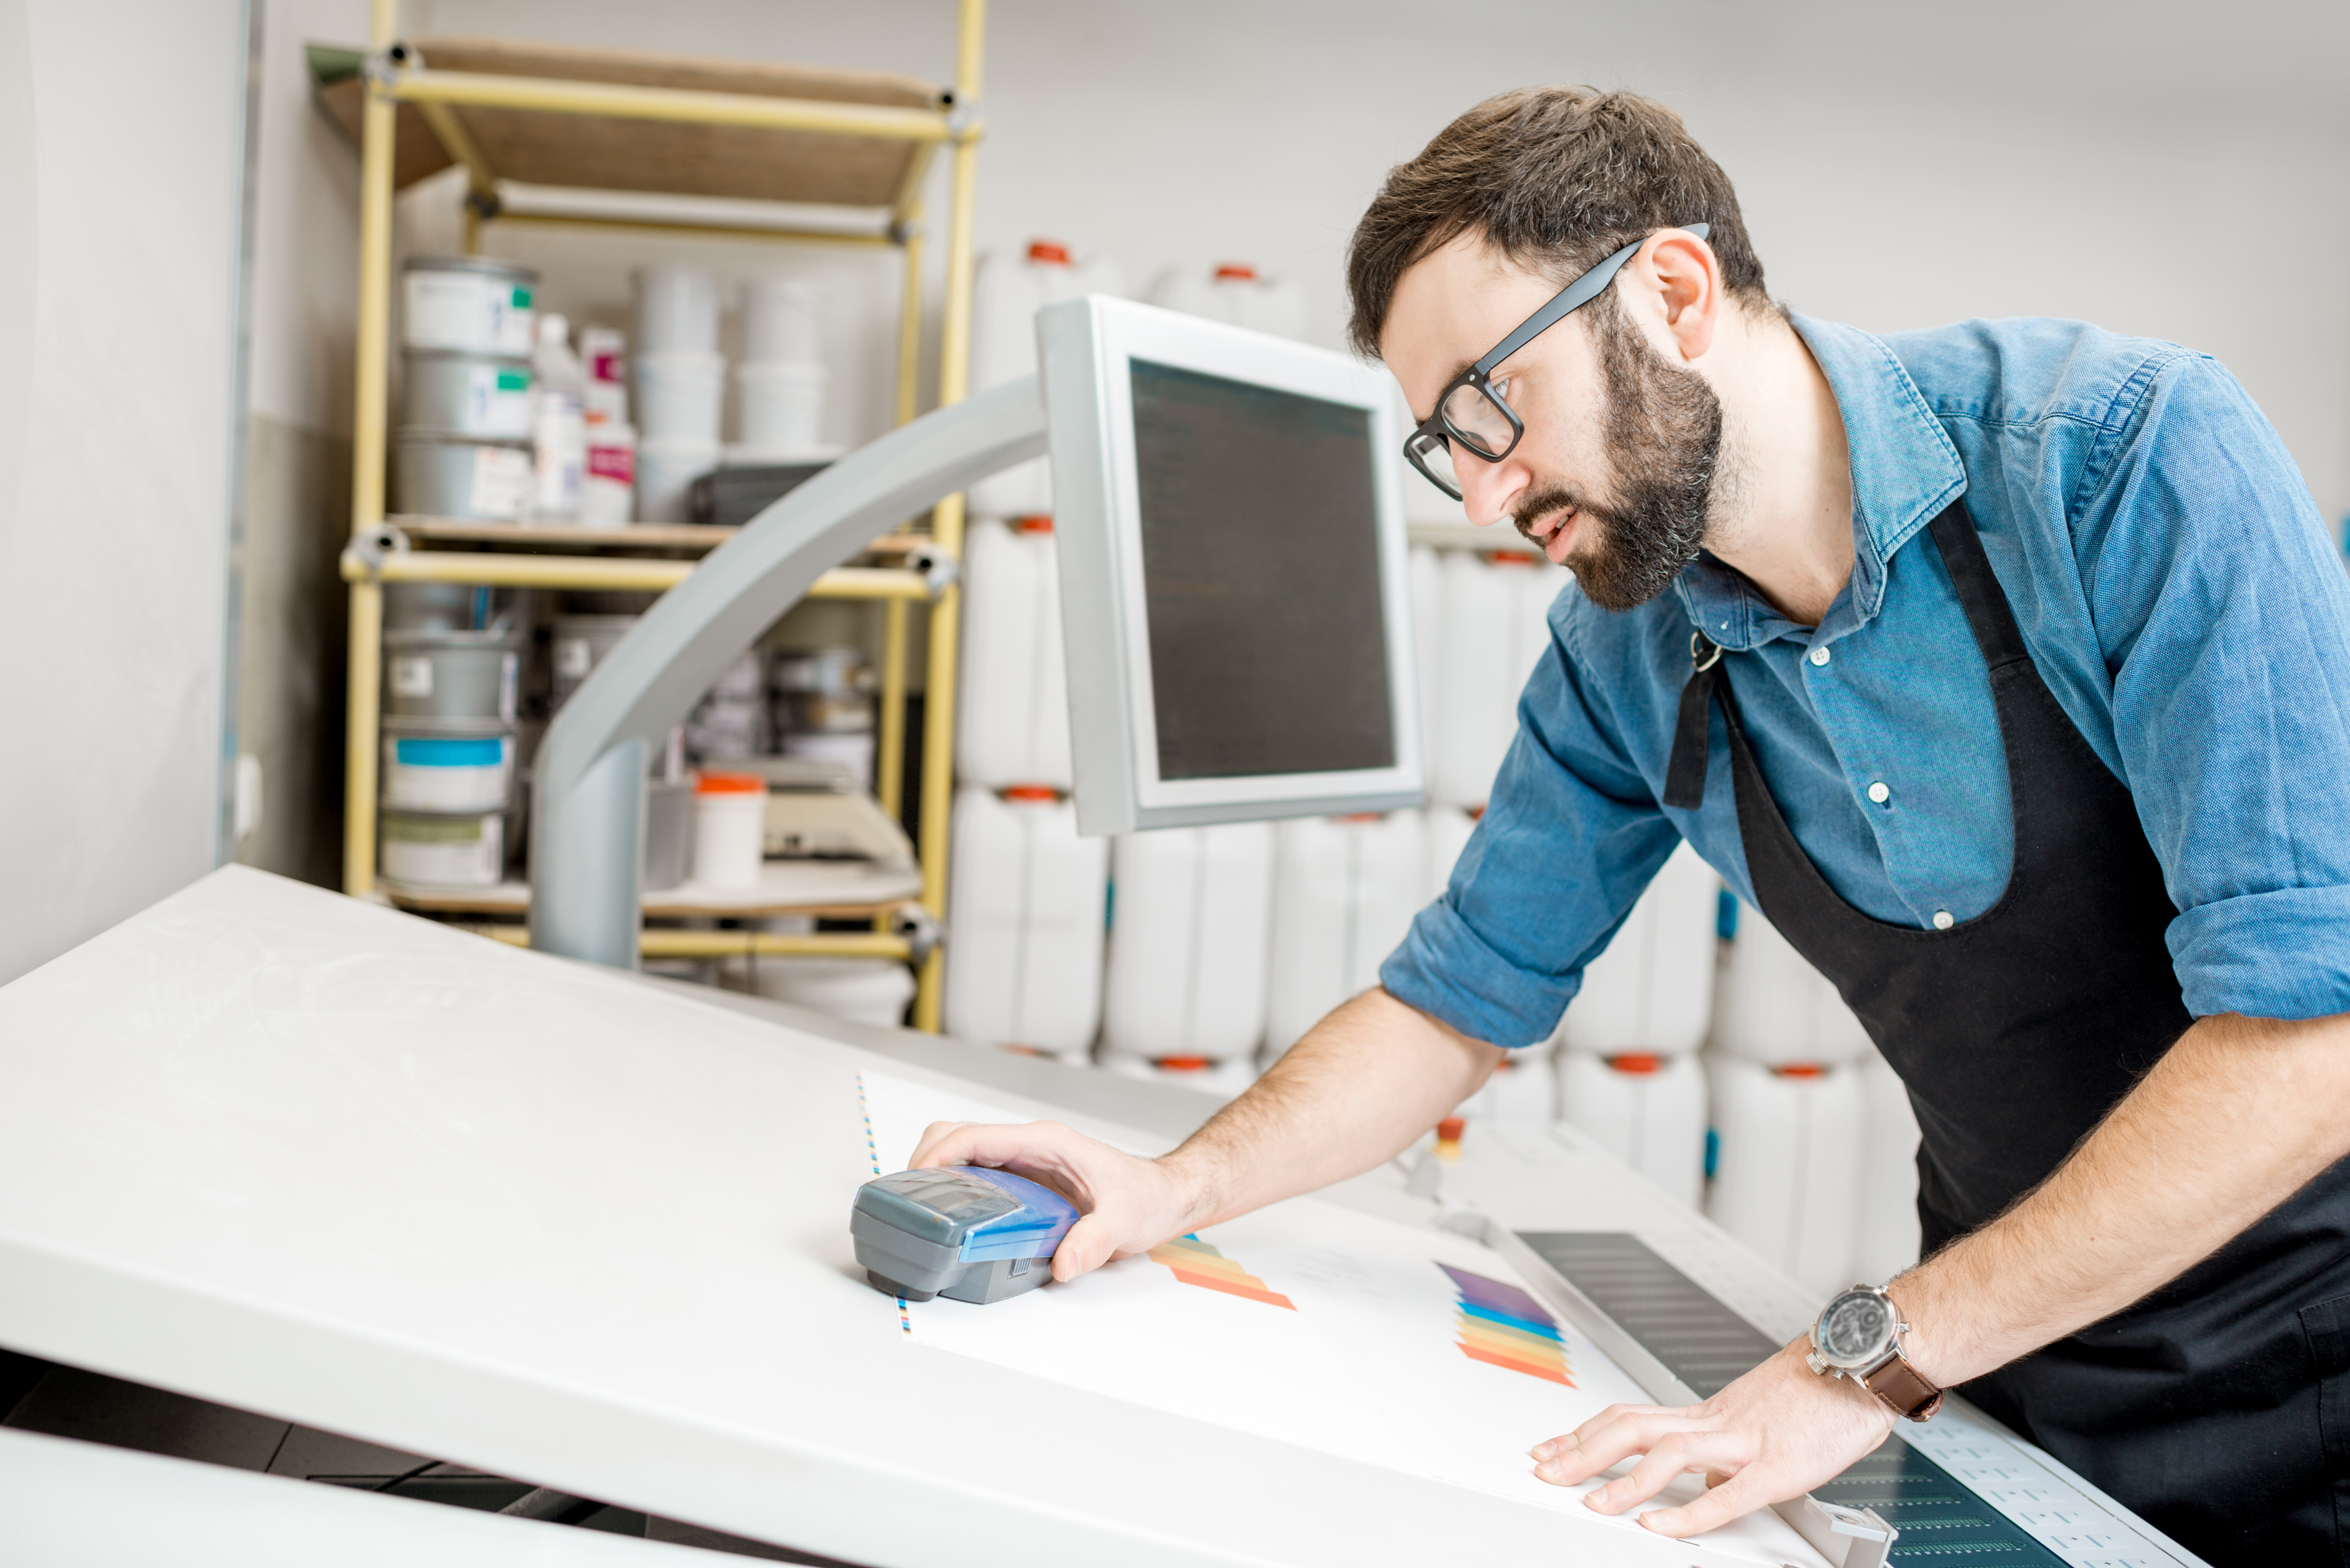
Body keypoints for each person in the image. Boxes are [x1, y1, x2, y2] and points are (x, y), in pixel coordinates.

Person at [911, 86, 2350, 1564]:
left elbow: (2312, 1039)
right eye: (1443, 447)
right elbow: (1454, 998)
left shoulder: (2114, 461)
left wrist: (1861, 1357)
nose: (1483, 492)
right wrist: (1175, 1185)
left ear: (1669, 292)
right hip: (2011, 1354)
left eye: (1489, 407)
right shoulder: (1629, 648)